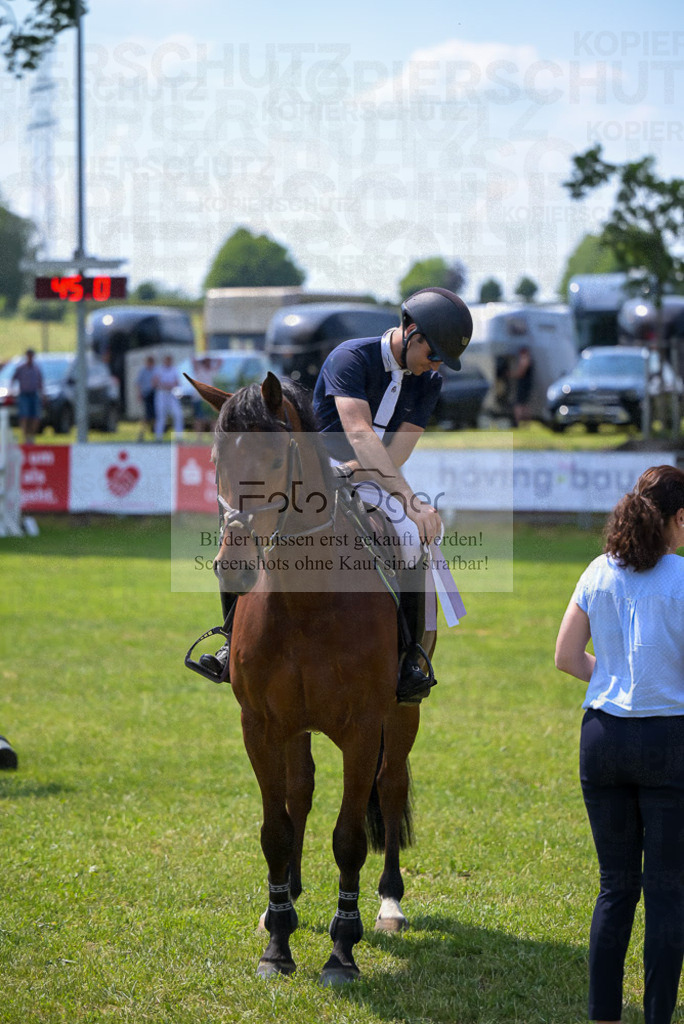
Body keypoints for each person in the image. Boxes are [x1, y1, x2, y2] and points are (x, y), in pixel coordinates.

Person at [197, 287, 473, 703]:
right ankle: (229, 636)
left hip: (372, 477)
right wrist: (410, 498)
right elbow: (358, 431)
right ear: (412, 332)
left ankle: (410, 658)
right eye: (433, 355)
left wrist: (385, 488)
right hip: (312, 472)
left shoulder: (427, 380)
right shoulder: (351, 357)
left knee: (414, 537)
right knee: (246, 524)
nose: (435, 366)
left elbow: (398, 451)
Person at [555, 464, 684, 1024]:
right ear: (678, 519)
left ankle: (604, 1017)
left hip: (602, 739)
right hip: (668, 741)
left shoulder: (597, 571)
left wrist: (611, 679)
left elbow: (565, 656)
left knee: (615, 889)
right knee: (667, 893)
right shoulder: (680, 579)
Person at [12, 349, 43, 443]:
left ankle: (31, 437)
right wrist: (13, 391)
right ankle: (25, 438)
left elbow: (40, 382)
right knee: (24, 416)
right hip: (24, 395)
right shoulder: (21, 368)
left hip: (34, 394)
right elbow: (13, 379)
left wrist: (43, 394)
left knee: (35, 417)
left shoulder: (36, 369)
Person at [152, 355, 183, 440]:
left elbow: (177, 382)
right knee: (161, 416)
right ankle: (158, 436)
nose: (168, 362)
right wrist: (165, 385)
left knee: (178, 414)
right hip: (161, 395)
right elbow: (154, 383)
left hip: (171, 394)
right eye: (167, 360)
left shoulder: (174, 370)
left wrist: (169, 385)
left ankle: (178, 436)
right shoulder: (159, 370)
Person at [511, 344, 534, 426]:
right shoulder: (528, 359)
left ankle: (518, 422)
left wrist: (510, 374)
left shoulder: (524, 360)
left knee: (519, 404)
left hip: (523, 385)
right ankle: (526, 423)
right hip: (526, 385)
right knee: (525, 404)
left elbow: (521, 373)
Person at [136, 356, 156, 440]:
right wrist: (139, 394)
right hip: (147, 394)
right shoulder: (143, 371)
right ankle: (142, 433)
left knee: (156, 415)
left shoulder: (156, 371)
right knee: (146, 416)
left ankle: (156, 433)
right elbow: (138, 383)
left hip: (154, 394)